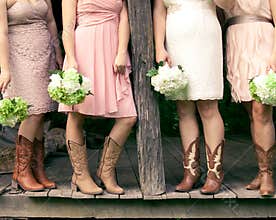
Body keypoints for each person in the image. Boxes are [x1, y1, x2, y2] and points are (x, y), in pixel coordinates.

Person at [61, 0, 137, 195]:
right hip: (83, 48)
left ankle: (106, 171)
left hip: (112, 48)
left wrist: (121, 51)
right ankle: (80, 175)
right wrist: (70, 58)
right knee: (77, 112)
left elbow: (125, 17)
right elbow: (68, 27)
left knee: (128, 117)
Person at [153, 0, 225, 194]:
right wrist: (159, 46)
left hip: (204, 33)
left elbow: (228, 4)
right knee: (184, 108)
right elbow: (160, 10)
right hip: (175, 38)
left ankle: (214, 172)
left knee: (208, 104)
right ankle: (191, 171)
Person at [0, 0, 63, 191]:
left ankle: (38, 169)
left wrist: (58, 51)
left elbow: (51, 21)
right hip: (19, 57)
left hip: (44, 54)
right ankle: (22, 171)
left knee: (41, 111)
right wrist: (4, 68)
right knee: (31, 112)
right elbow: (1, 32)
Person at [215, 0, 276, 197]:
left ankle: (267, 175)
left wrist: (274, 55)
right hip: (236, 41)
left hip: (262, 39)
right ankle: (261, 169)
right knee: (252, 113)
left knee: (262, 110)